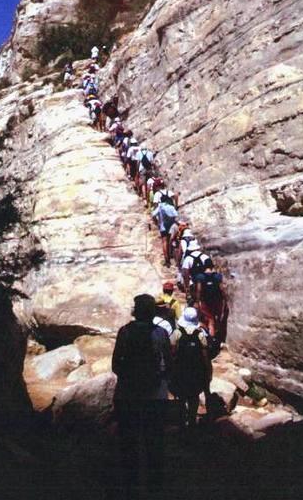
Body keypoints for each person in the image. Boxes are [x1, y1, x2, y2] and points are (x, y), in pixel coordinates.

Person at [112, 294, 172, 493]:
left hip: (127, 394)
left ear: (135, 311)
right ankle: (155, 485)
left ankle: (130, 484)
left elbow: (115, 365)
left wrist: (130, 378)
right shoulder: (161, 333)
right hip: (155, 395)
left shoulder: (124, 332)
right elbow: (169, 364)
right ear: (152, 312)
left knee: (128, 441)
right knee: (154, 440)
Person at [170, 307, 212, 431]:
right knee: (194, 397)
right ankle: (192, 421)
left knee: (181, 396)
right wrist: (207, 372)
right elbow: (205, 356)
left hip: (181, 370)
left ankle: (182, 422)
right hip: (196, 371)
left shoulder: (177, 333)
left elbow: (172, 352)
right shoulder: (200, 334)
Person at [195, 264, 228, 340]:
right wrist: (225, 299)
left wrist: (198, 301)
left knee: (210, 320)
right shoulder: (217, 276)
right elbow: (222, 289)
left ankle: (211, 339)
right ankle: (218, 337)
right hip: (217, 301)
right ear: (212, 267)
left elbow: (199, 290)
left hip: (205, 302)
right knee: (217, 319)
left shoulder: (200, 276)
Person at [152, 193, 178, 267]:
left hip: (163, 226)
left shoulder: (160, 206)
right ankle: (172, 255)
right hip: (171, 226)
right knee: (172, 240)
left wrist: (156, 222)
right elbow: (176, 215)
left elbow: (153, 214)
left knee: (164, 242)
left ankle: (167, 260)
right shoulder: (171, 206)